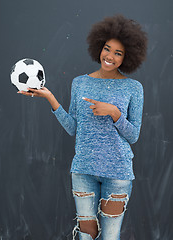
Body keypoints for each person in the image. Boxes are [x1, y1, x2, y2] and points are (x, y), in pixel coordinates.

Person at [18, 15, 147, 240]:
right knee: (85, 237)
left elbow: (134, 135)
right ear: (99, 46)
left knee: (110, 237)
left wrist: (115, 113)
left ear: (127, 57)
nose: (110, 56)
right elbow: (73, 128)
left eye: (119, 53)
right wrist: (50, 98)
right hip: (83, 171)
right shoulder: (80, 83)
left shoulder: (133, 88)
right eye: (107, 49)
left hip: (117, 173)